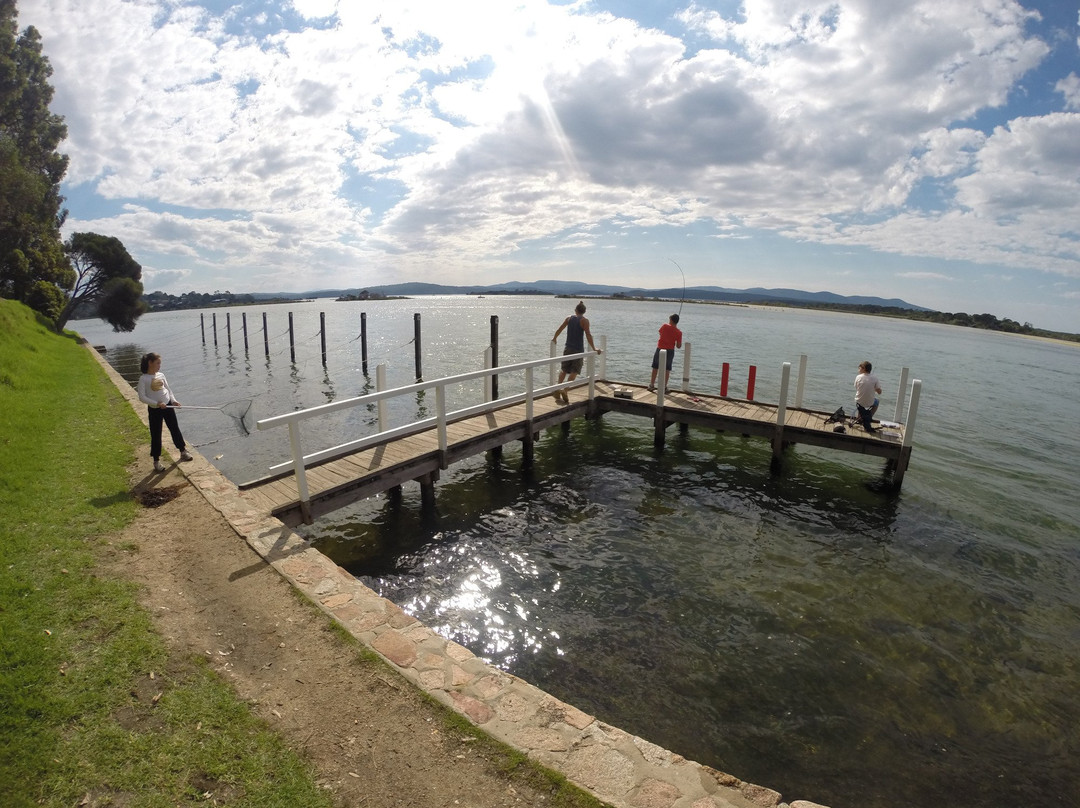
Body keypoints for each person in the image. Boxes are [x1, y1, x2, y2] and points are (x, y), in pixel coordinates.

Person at [137, 352, 194, 472]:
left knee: (174, 428)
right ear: (150, 363)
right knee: (156, 433)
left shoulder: (161, 375)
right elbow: (142, 397)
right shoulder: (144, 379)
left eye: (160, 363)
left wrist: (173, 401)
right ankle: (156, 460)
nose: (159, 366)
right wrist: (156, 403)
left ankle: (183, 451)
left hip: (168, 406)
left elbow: (168, 390)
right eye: (157, 363)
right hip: (155, 409)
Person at [552, 301, 600, 404]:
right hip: (578, 350)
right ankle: (565, 390)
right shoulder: (584, 321)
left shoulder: (569, 318)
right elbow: (588, 335)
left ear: (575, 310)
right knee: (575, 371)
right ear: (584, 311)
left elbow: (560, 328)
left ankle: (558, 388)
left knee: (564, 370)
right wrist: (594, 348)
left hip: (568, 348)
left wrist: (555, 337)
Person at [648, 313, 683, 392]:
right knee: (667, 369)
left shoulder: (664, 326)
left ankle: (651, 385)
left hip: (660, 349)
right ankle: (664, 387)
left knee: (655, 367)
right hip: (670, 351)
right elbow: (678, 346)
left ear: (671, 320)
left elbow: (660, 333)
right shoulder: (679, 332)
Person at [854, 360, 882, 433]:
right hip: (870, 402)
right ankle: (869, 416)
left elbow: (857, 388)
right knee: (877, 402)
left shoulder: (858, 377)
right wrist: (874, 389)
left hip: (858, 402)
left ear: (863, 368)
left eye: (859, 368)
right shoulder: (875, 378)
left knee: (861, 402)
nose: (858, 370)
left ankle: (859, 418)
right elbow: (879, 392)